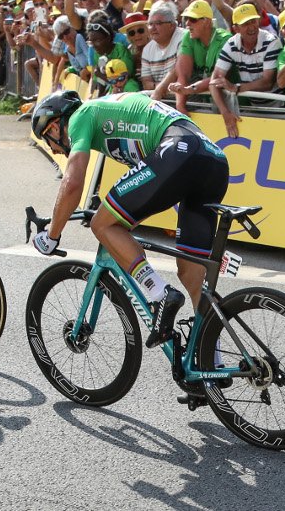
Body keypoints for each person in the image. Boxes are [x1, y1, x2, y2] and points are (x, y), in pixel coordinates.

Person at [31, 90, 229, 349]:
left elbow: (72, 184)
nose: (53, 149)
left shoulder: (80, 116)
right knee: (191, 273)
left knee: (102, 224)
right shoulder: (109, 116)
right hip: (212, 159)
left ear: (55, 127)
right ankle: (209, 362)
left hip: (178, 149)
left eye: (48, 141)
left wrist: (52, 236)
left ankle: (159, 293)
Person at [209, 3, 282, 138]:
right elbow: (214, 82)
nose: (252, 27)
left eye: (253, 21)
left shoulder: (271, 42)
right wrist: (225, 113)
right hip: (253, 108)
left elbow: (268, 82)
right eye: (245, 24)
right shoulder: (231, 44)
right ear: (236, 28)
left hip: (279, 108)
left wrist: (236, 88)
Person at [169, 0, 231, 114]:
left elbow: (217, 78)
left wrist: (189, 90)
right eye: (186, 19)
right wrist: (180, 106)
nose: (188, 24)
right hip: (206, 102)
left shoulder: (224, 39)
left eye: (193, 19)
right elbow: (183, 74)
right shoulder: (189, 36)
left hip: (233, 104)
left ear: (207, 22)